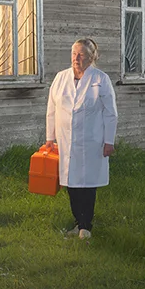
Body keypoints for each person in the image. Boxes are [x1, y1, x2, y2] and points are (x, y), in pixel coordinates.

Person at [43, 38, 118, 240]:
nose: (76, 58)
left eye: (81, 54)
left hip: (92, 141)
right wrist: (50, 137)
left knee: (88, 183)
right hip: (66, 140)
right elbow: (52, 109)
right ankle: (78, 222)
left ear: (91, 57)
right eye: (74, 53)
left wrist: (109, 141)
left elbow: (111, 113)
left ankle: (86, 226)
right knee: (71, 182)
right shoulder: (60, 78)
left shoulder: (101, 80)